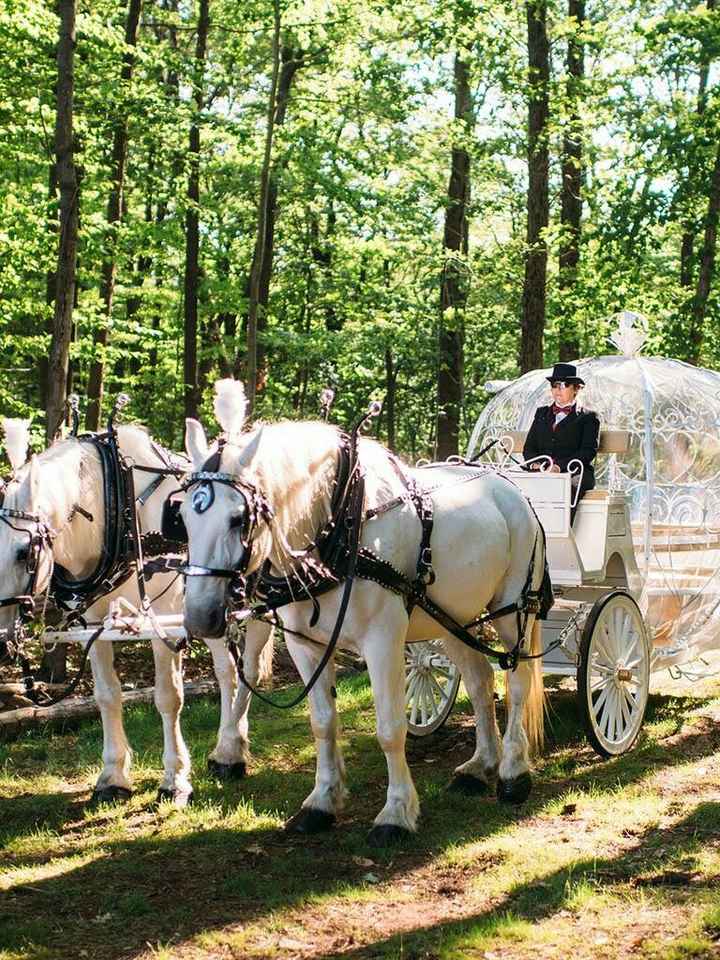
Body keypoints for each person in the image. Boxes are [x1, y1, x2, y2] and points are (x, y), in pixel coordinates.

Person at [523, 363, 600, 518]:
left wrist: (559, 467)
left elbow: (587, 452)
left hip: (574, 472)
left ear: (576, 389)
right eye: (555, 385)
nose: (558, 389)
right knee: (516, 486)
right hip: (542, 470)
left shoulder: (588, 417)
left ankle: (560, 533)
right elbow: (529, 448)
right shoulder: (541, 413)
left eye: (564, 385)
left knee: (564, 489)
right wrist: (534, 463)